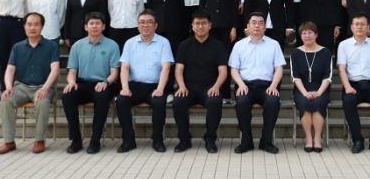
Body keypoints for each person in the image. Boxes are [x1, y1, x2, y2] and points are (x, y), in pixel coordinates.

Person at [0, 12, 59, 155]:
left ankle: (39, 140)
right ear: (24, 26)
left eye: (36, 25)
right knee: (6, 100)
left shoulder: (52, 46)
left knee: (42, 101)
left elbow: (55, 70)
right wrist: (8, 87)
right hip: (22, 87)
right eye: (29, 24)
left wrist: (45, 88)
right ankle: (9, 141)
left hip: (43, 86)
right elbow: (10, 69)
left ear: (42, 27)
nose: (32, 28)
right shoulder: (17, 47)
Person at [116, 10, 174, 153]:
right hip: (135, 86)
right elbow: (124, 67)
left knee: (159, 102)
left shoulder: (163, 42)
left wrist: (160, 89)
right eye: (142, 22)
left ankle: (157, 139)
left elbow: (166, 67)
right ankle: (128, 140)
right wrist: (125, 87)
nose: (145, 25)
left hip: (156, 85)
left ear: (156, 25)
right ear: (137, 25)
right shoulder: (130, 43)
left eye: (149, 22)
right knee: (121, 101)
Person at [62, 12, 120, 154]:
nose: (94, 26)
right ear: (86, 27)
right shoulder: (77, 46)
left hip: (104, 83)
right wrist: (71, 82)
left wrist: (106, 82)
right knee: (68, 96)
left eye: (98, 23)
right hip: (82, 83)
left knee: (101, 97)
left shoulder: (112, 45)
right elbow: (72, 71)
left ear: (103, 26)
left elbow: (115, 72)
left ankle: (95, 140)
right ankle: (76, 140)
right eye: (91, 23)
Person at [229, 12, 286, 154]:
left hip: (267, 86)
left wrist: (273, 86)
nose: (257, 26)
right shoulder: (239, 45)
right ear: (248, 26)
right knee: (242, 103)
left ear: (265, 27)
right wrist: (241, 84)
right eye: (253, 22)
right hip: (245, 85)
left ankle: (266, 141)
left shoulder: (274, 44)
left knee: (273, 102)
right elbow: (234, 69)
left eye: (261, 23)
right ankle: (246, 141)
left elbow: (279, 68)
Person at [172, 10, 228, 153]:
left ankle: (210, 139)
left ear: (210, 25)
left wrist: (216, 87)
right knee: (178, 101)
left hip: (210, 87)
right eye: (197, 23)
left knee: (215, 101)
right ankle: (184, 140)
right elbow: (178, 69)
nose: (200, 26)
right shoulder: (184, 45)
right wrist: (181, 86)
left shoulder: (218, 46)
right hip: (188, 87)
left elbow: (223, 71)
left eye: (204, 23)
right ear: (192, 26)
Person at [337, 13, 370, 154]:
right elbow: (341, 69)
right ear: (351, 27)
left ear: (368, 27)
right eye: (356, 24)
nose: (359, 27)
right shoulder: (344, 45)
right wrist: (347, 87)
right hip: (352, 86)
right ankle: (357, 140)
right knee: (348, 101)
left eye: (362, 24)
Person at [199, 0, 239, 101]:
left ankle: (226, 94)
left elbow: (234, 7)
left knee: (225, 59)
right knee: (211, 58)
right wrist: (203, 25)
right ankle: (212, 90)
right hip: (210, 26)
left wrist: (234, 27)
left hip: (226, 27)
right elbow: (202, 5)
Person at [146, 0, 187, 98]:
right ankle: (156, 87)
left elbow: (181, 9)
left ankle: (169, 89)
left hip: (173, 28)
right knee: (156, 57)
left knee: (170, 58)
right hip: (156, 28)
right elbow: (150, 8)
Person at [290, 21, 332, 153]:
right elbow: (295, 76)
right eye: (303, 33)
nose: (307, 36)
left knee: (318, 102)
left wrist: (319, 92)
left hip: (321, 87)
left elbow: (328, 76)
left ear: (316, 34)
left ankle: (318, 138)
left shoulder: (325, 52)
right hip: (301, 88)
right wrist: (304, 92)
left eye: (310, 33)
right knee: (304, 102)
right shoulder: (296, 53)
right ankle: (308, 138)